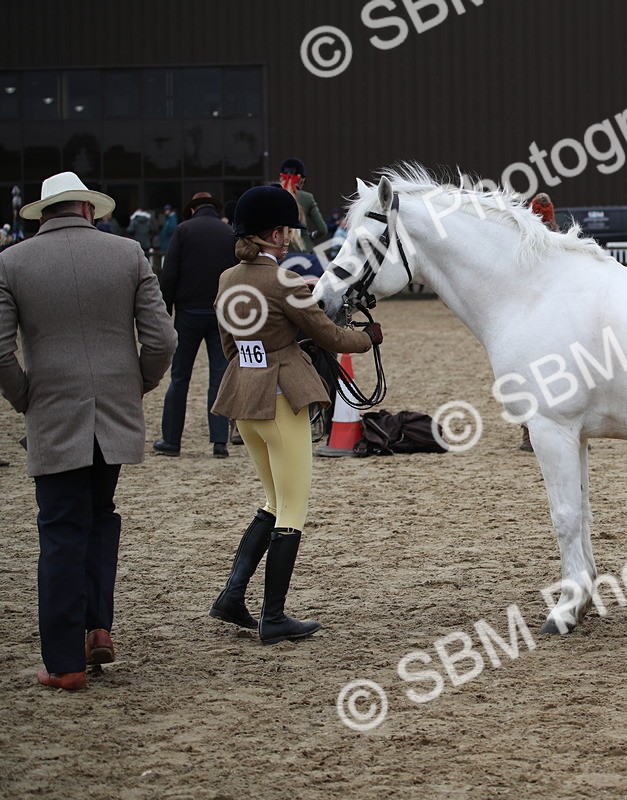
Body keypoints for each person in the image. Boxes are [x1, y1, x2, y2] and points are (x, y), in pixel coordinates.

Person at [0, 171, 177, 690]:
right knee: (101, 518)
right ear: (89, 210)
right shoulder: (128, 254)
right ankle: (98, 627)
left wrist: (24, 397)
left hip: (52, 411)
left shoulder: (11, 261)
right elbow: (162, 340)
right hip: (115, 413)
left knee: (60, 531)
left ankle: (64, 663)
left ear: (43, 213)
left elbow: (0, 350)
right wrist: (136, 386)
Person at [208, 184, 381, 645]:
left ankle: (232, 597)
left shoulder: (228, 279)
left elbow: (229, 345)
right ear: (275, 235)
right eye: (285, 231)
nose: (289, 238)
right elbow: (328, 335)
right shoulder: (282, 281)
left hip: (244, 399)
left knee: (272, 498)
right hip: (281, 399)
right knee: (294, 505)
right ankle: (275, 616)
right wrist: (370, 339)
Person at [154, 192, 236, 459]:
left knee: (179, 377)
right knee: (219, 377)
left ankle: (172, 441)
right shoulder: (228, 233)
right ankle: (219, 441)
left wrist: (166, 310)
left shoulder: (182, 230)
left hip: (188, 314)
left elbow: (170, 274)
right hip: (221, 313)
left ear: (192, 210)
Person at [518, 193, 560, 452]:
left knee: (528, 375)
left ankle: (528, 433)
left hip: (531, 316)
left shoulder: (523, 241)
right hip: (556, 317)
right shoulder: (559, 241)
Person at [278, 157, 328, 255]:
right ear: (301, 179)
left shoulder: (272, 195)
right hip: (302, 252)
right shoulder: (307, 198)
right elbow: (322, 229)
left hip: (279, 253)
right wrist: (310, 237)